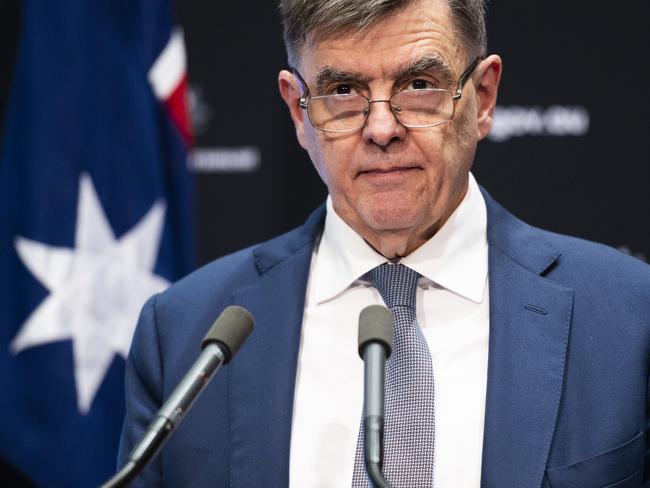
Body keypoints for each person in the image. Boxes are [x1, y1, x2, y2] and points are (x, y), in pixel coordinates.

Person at [117, 0, 650, 486]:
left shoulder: (630, 320)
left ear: (483, 98)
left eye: (418, 84)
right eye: (343, 91)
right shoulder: (185, 334)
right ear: (299, 111)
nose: (380, 128)